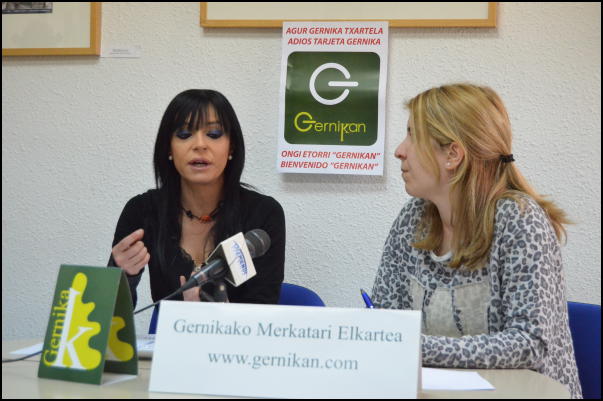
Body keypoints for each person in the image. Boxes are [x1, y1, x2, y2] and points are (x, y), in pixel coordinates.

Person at [371, 83, 581, 398]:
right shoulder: (413, 219)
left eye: (413, 135)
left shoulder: (520, 220)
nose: (400, 150)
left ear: (452, 155)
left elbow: (529, 343)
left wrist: (415, 346)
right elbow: (386, 319)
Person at [108, 89, 285, 309]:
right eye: (184, 134)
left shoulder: (263, 214)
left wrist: (217, 315)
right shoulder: (143, 210)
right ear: (169, 148)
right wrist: (122, 276)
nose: (200, 145)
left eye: (214, 134)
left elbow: (263, 310)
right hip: (168, 331)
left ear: (231, 147)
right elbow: (111, 316)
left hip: (236, 332)